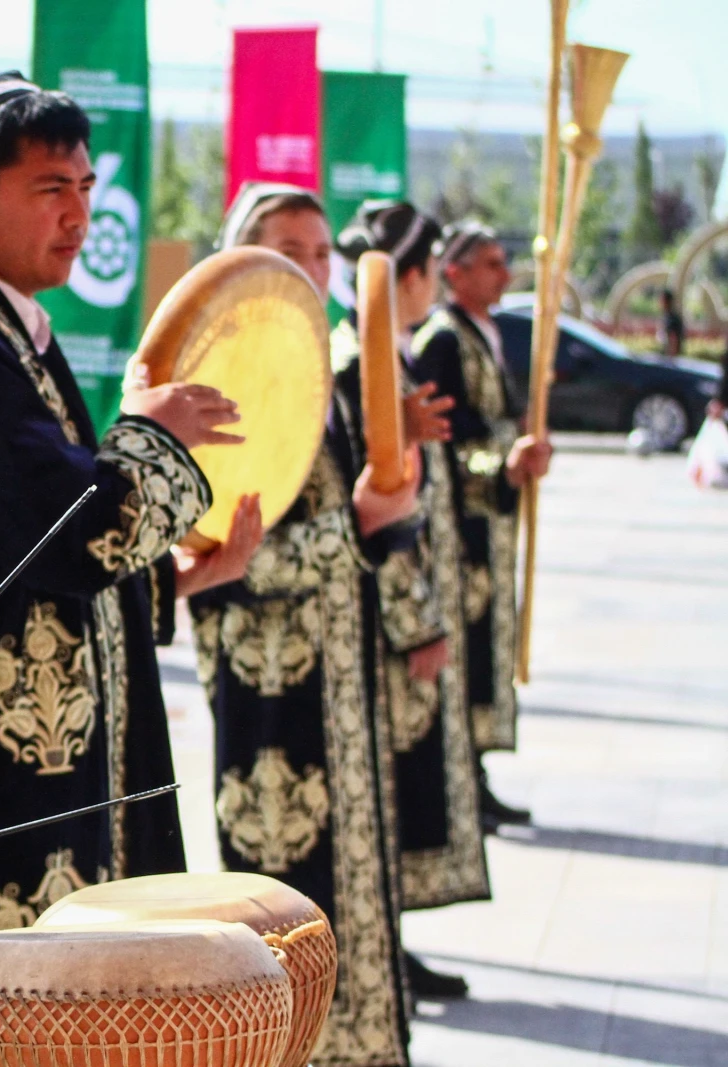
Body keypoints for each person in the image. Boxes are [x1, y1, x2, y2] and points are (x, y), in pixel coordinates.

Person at [0, 73, 241, 1067]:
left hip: (23, 762)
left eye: (83, 186)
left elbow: (21, 552)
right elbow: (76, 536)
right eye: (49, 189)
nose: (78, 213)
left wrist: (185, 574)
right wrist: (156, 436)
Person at [188, 183, 424, 1066]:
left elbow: (373, 516)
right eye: (287, 249)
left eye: (322, 252)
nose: (310, 269)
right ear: (241, 257)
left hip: (347, 675)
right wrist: (352, 528)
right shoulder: (219, 380)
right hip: (269, 687)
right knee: (284, 911)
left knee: (359, 895)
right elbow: (219, 559)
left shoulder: (333, 372)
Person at [332, 201, 493, 1002]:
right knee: (383, 786)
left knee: (396, 788)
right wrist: (416, 622)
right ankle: (378, 948)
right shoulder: (356, 365)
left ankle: (391, 939)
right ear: (415, 275)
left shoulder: (384, 356)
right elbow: (377, 508)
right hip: (379, 616)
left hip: (405, 599)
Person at [411, 221, 552, 827]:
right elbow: (448, 435)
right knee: (467, 645)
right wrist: (502, 460)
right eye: (490, 264)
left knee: (487, 643)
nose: (503, 274)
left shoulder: (486, 332)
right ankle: (463, 778)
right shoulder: (443, 340)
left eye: (503, 262)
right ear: (455, 272)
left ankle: (477, 773)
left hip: (489, 523)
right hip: (460, 525)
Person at [660, 288, 685, 358]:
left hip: (671, 358)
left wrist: (671, 358)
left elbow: (674, 339)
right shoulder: (667, 316)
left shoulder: (672, 319)